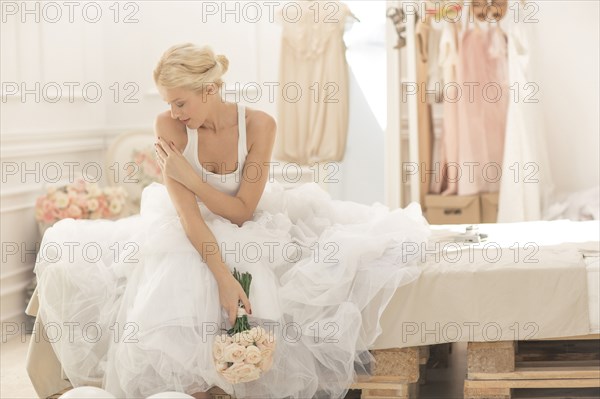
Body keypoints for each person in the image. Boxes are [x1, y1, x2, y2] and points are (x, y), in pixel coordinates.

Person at [32, 43, 431, 399]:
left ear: (210, 90)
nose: (173, 112)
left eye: (181, 102)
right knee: (179, 270)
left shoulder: (259, 125)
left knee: (266, 261)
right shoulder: (168, 127)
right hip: (188, 230)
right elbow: (189, 216)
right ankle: (196, 389)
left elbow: (242, 210)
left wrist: (189, 177)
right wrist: (224, 278)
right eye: (168, 102)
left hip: (249, 223)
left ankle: (235, 380)